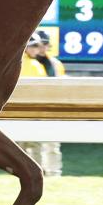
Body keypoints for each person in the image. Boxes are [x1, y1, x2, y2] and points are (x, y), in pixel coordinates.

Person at [18, 32, 64, 176]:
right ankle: (29, 172)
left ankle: (50, 172)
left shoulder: (53, 63)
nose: (39, 48)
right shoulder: (27, 63)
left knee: (45, 144)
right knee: (25, 144)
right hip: (28, 109)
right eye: (35, 45)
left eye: (41, 45)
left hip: (45, 108)